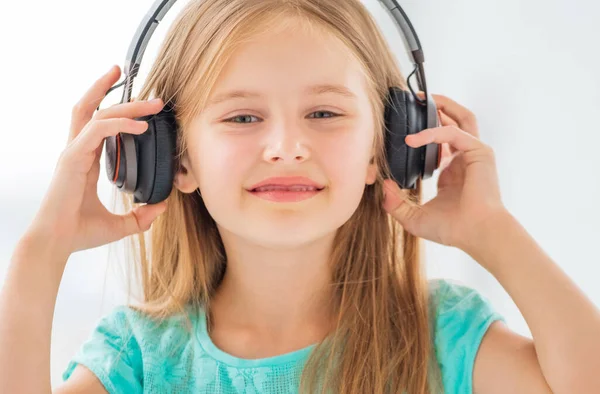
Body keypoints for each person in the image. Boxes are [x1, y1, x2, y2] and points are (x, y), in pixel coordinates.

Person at [2, 0, 599, 393]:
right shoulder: (138, 358)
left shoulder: (441, 335)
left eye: (323, 112)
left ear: (385, 150)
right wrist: (40, 252)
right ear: (172, 158)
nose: (286, 147)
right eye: (242, 118)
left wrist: (493, 232)